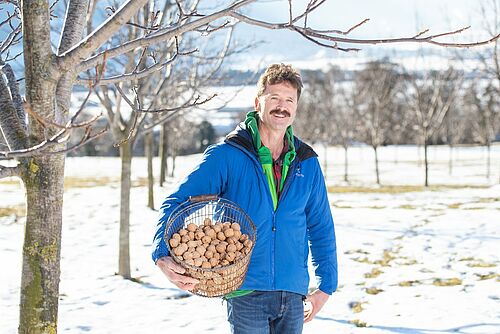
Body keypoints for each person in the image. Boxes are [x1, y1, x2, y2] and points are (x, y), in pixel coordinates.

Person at [152, 63, 338, 334]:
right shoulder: (227, 155)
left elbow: (321, 226)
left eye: (289, 100)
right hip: (245, 291)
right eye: (274, 98)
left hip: (293, 292)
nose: (281, 106)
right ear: (258, 102)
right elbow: (178, 202)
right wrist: (161, 253)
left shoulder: (306, 161)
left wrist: (326, 286)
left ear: (296, 107)